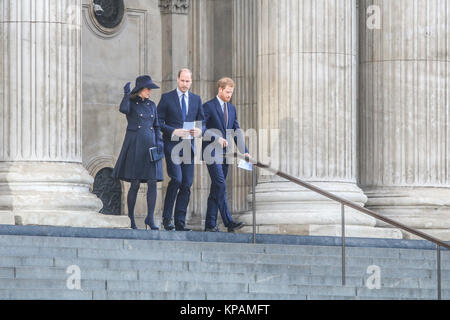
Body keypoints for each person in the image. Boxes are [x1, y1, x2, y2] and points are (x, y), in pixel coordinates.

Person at [112, 75, 163, 230]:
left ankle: (150, 217)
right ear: (140, 89)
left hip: (151, 147)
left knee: (152, 181)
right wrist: (127, 94)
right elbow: (123, 109)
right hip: (136, 145)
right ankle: (131, 218)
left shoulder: (152, 105)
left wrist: (159, 142)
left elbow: (156, 126)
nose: (150, 92)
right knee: (135, 183)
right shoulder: (132, 103)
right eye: (148, 89)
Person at [157, 69, 204, 231]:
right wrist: (172, 131)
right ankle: (166, 218)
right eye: (182, 81)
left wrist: (200, 130)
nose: (185, 84)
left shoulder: (196, 99)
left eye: (188, 81)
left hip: (188, 146)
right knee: (176, 179)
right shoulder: (167, 98)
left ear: (191, 82)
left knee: (186, 184)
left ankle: (180, 222)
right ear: (177, 80)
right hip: (172, 145)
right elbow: (158, 121)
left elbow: (202, 121)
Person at [202, 77, 249, 232]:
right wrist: (216, 137)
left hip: (225, 155)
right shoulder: (208, 106)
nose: (230, 95)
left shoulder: (232, 109)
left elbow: (236, 131)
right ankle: (228, 222)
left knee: (217, 187)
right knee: (221, 184)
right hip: (211, 152)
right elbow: (201, 129)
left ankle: (210, 224)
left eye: (231, 93)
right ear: (220, 89)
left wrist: (245, 152)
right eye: (227, 92)